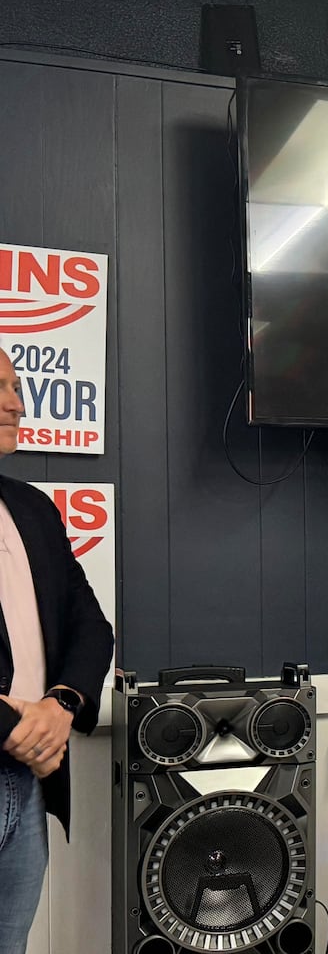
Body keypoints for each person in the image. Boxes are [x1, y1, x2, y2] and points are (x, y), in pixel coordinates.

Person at [0, 351, 115, 954]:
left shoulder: (33, 509)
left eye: (17, 387)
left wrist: (61, 705)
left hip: (32, 778)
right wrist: (22, 728)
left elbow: (90, 624)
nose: (17, 403)